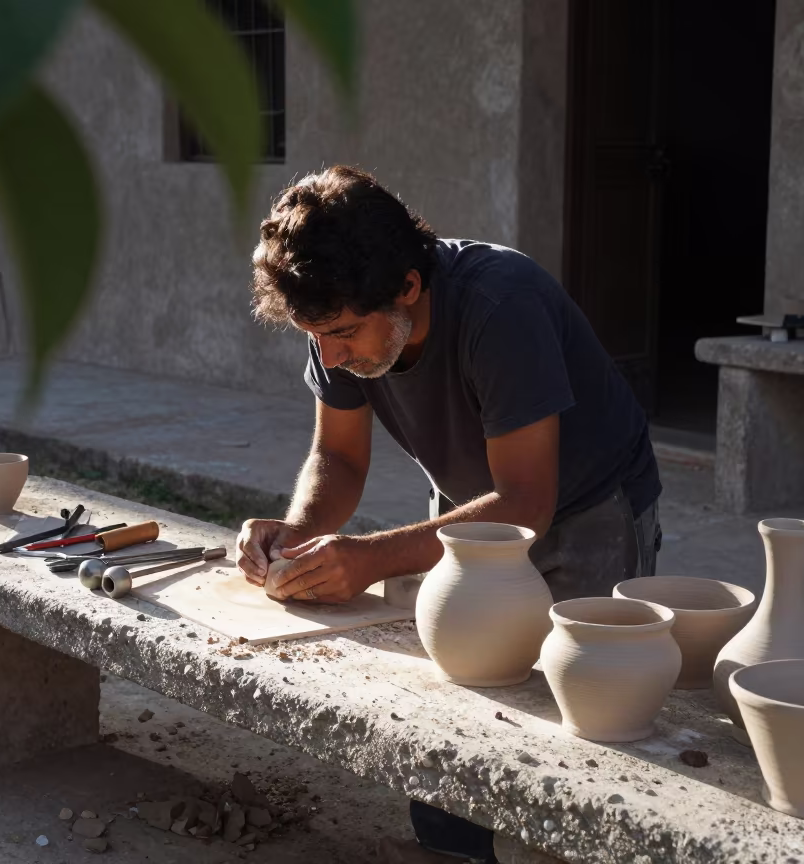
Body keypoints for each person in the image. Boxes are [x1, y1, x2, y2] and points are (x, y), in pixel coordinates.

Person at [235, 165, 662, 863]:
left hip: (587, 510)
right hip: (472, 506)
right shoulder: (339, 323)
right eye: (314, 335)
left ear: (408, 286)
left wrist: (371, 557)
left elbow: (526, 504)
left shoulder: (501, 306)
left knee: (579, 723)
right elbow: (338, 460)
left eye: (342, 332)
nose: (330, 355)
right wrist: (298, 534)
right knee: (460, 706)